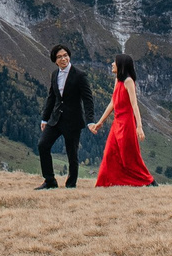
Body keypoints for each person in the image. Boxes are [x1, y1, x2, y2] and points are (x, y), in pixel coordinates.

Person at [90, 53, 155, 187]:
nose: (112, 64)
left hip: (126, 124)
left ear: (121, 65)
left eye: (115, 62)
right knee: (110, 153)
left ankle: (148, 181)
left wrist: (139, 126)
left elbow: (134, 104)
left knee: (129, 156)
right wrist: (100, 122)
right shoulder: (117, 80)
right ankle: (106, 182)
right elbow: (112, 102)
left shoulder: (128, 81)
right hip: (117, 123)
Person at [36, 44, 94, 189]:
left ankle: (71, 185)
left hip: (73, 121)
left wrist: (90, 120)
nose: (63, 59)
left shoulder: (79, 75)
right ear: (55, 60)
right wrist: (45, 118)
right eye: (59, 57)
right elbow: (52, 97)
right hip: (56, 119)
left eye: (65, 55)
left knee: (72, 154)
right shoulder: (54, 74)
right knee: (43, 145)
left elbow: (88, 99)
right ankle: (50, 181)